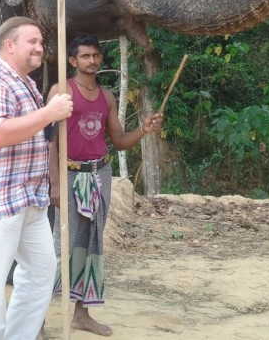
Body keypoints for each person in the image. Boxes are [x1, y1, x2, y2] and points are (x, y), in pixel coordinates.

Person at [0, 16, 73, 340]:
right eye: (32, 42)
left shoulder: (23, 82)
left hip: (28, 200)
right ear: (9, 45)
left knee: (40, 272)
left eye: (41, 42)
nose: (40, 48)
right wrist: (49, 113)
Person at [47, 35, 163, 336]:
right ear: (73, 61)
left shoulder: (107, 97)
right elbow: (51, 143)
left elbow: (120, 142)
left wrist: (144, 129)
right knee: (62, 249)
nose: (93, 61)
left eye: (96, 55)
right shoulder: (61, 91)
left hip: (100, 176)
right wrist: (55, 185)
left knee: (92, 245)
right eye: (85, 56)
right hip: (70, 176)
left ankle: (81, 315)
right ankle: (36, 320)